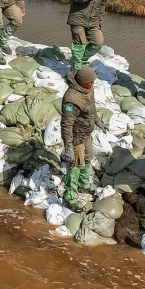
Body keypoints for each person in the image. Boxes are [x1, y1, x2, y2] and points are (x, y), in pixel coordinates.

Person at [60, 65, 98, 209]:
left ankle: (83, 184)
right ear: (82, 81)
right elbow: (67, 124)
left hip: (86, 133)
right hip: (76, 137)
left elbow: (92, 106)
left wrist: (97, 119)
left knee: (89, 156)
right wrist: (68, 147)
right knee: (75, 165)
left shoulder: (88, 89)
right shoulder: (71, 100)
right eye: (90, 82)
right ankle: (70, 197)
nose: (92, 84)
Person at [67, 0, 111, 71]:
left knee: (98, 42)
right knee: (80, 45)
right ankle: (75, 73)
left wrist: (99, 21)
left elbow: (102, 5)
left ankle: (79, 60)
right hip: (78, 17)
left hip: (93, 21)